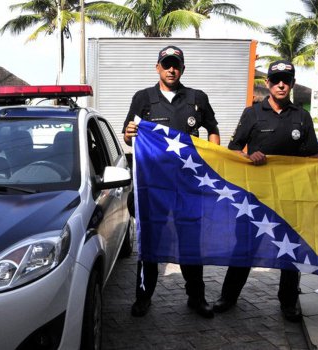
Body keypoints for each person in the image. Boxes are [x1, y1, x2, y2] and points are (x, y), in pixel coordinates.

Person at [213, 60, 318, 322]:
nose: (281, 84)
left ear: (293, 83)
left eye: (286, 79)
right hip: (255, 196)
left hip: (290, 197)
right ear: (268, 84)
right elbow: (233, 150)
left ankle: (288, 302)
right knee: (245, 247)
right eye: (276, 80)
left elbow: (310, 155)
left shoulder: (301, 116)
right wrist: (248, 156)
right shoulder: (252, 113)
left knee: (291, 250)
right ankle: (228, 296)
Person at [123, 45, 221, 318]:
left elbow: (212, 129)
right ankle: (144, 297)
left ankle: (197, 297)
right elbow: (127, 136)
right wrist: (130, 132)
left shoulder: (196, 98)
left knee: (191, 243)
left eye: (176, 64)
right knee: (150, 242)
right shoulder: (143, 98)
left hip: (189, 187)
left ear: (182, 69)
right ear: (157, 67)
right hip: (154, 188)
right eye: (166, 64)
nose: (171, 69)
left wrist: (212, 158)